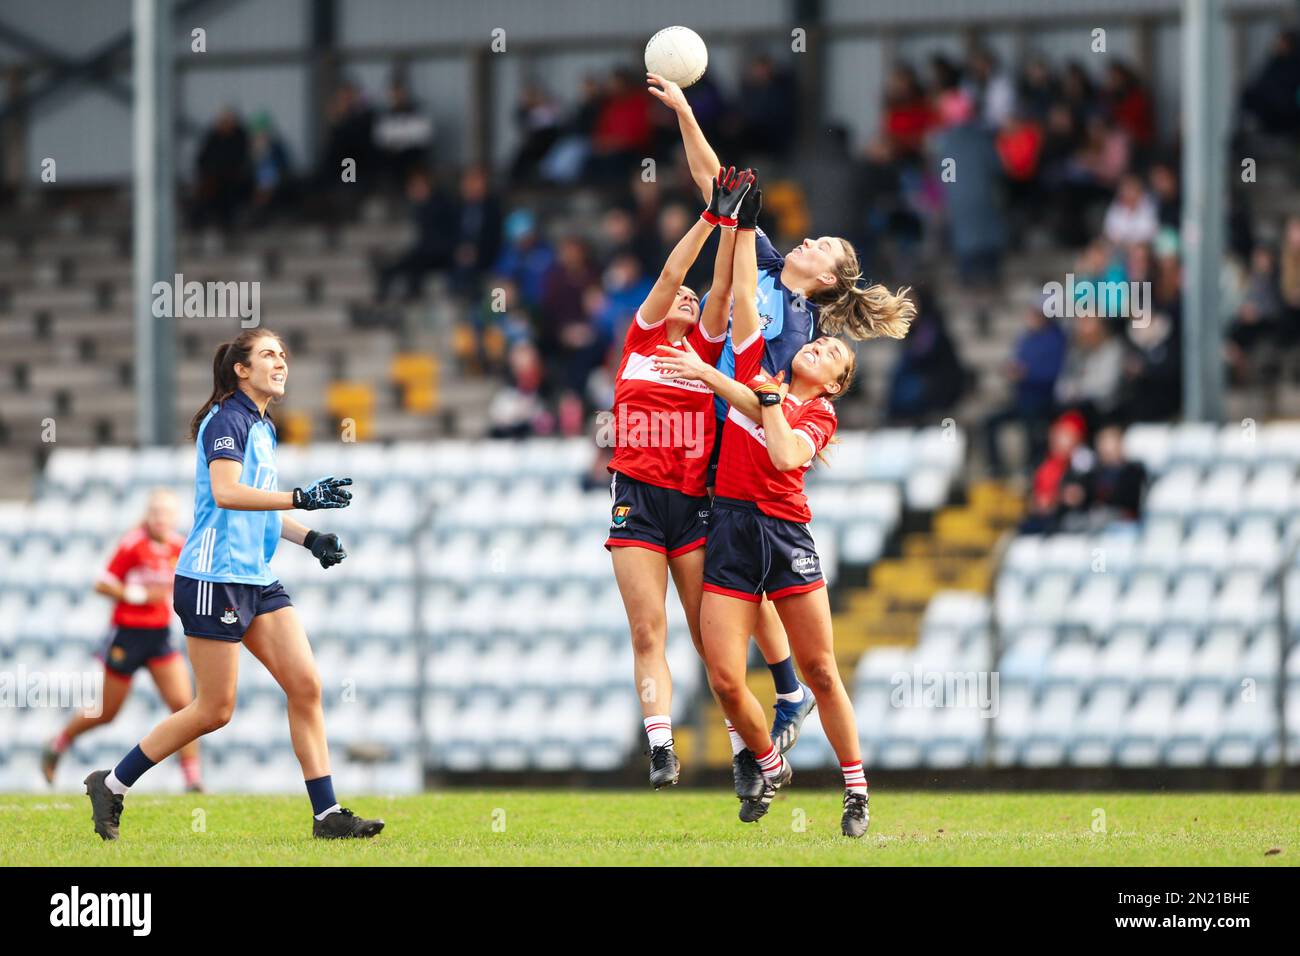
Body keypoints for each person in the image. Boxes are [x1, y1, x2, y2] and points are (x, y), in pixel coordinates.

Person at [648, 72, 915, 771]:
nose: (810, 241)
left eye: (823, 244)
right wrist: (684, 112)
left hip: (734, 447)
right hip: (700, 422)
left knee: (727, 569)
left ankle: (784, 702)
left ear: (829, 280)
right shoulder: (762, 258)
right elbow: (719, 188)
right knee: (721, 573)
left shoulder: (800, 337)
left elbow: (766, 391)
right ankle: (783, 700)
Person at [83, 330, 383, 841]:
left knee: (305, 686)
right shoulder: (228, 420)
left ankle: (326, 815)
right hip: (213, 579)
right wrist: (299, 498)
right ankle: (111, 783)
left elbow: (258, 503)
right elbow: (226, 493)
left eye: (284, 354)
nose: (281, 362)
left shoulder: (263, 427)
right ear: (241, 369)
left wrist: (309, 538)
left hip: (257, 578)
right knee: (214, 710)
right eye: (269, 354)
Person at [604, 166, 751, 788]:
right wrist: (710, 218)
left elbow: (719, 287)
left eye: (695, 298)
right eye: (680, 297)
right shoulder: (640, 342)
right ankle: (660, 745)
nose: (688, 297)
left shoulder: (707, 355)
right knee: (648, 628)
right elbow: (672, 274)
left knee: (707, 636)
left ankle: (745, 745)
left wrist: (736, 227)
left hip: (691, 504)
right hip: (637, 501)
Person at [42, 490, 202, 791]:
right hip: (128, 636)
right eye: (156, 513)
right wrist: (134, 595)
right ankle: (59, 741)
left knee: (184, 706)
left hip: (159, 636)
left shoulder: (179, 546)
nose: (161, 519)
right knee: (107, 712)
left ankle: (192, 779)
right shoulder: (132, 544)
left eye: (166, 514)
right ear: (148, 515)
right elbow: (102, 583)